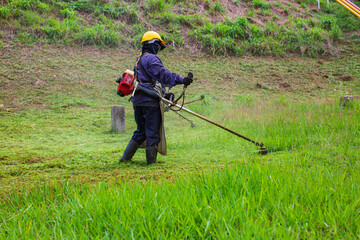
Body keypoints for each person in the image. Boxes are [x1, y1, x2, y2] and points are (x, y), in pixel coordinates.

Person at [119, 31, 193, 165]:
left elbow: (151, 81)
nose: (158, 50)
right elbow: (162, 75)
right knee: (152, 132)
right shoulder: (151, 58)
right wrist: (182, 79)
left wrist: (165, 94)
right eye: (158, 46)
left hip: (138, 101)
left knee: (141, 131)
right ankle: (151, 163)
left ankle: (125, 159)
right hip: (149, 103)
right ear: (153, 44)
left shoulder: (139, 59)